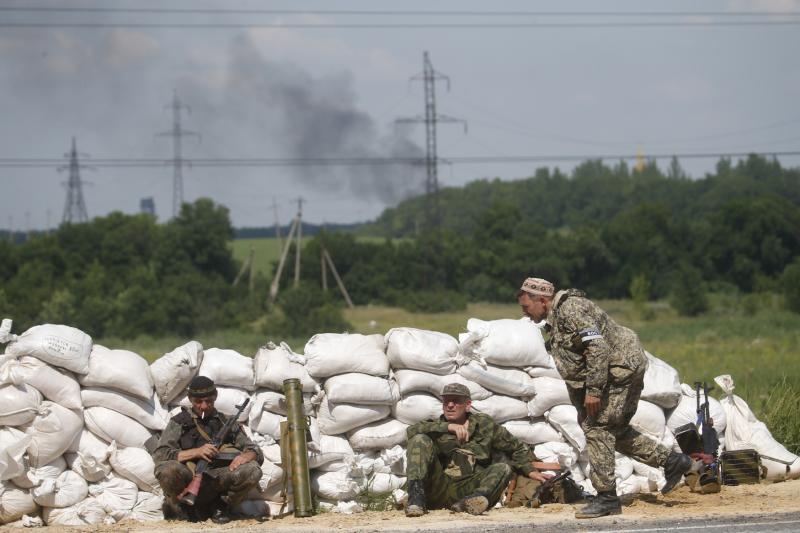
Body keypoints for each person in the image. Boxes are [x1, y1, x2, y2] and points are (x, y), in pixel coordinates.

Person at [516, 277, 693, 518]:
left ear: (543, 300)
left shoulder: (571, 310)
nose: (526, 314)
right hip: (616, 371)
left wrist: (594, 391)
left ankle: (607, 498)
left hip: (619, 371)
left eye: (527, 307)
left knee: (597, 428)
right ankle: (672, 461)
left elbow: (597, 348)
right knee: (614, 430)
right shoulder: (556, 318)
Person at [404, 382, 552, 517]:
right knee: (418, 439)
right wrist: (447, 427)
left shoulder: (484, 424)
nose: (450, 405)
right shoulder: (435, 426)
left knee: (504, 468)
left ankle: (472, 502)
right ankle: (416, 501)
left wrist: (529, 470)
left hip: (468, 486)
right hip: (439, 487)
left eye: (456, 401)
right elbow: (411, 432)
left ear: (467, 405)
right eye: (446, 401)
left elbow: (516, 447)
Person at [151, 376, 263, 524]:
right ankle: (183, 507)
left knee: (253, 470)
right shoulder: (179, 422)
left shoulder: (226, 422)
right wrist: (197, 452)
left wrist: (248, 456)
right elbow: (160, 454)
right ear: (190, 399)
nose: (204, 406)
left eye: (208, 401)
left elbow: (254, 449)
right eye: (198, 402)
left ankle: (221, 507)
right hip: (188, 477)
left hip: (218, 479)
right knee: (167, 470)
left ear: (215, 396)